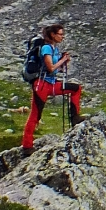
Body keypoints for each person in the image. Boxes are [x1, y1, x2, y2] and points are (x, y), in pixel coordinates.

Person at [21, 23, 83, 151]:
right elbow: (50, 68)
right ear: (53, 35)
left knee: (76, 88)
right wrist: (62, 60)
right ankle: (27, 146)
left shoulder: (54, 49)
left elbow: (55, 70)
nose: (62, 37)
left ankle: (75, 118)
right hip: (42, 85)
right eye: (60, 34)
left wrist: (63, 62)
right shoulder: (46, 48)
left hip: (50, 84)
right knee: (35, 115)